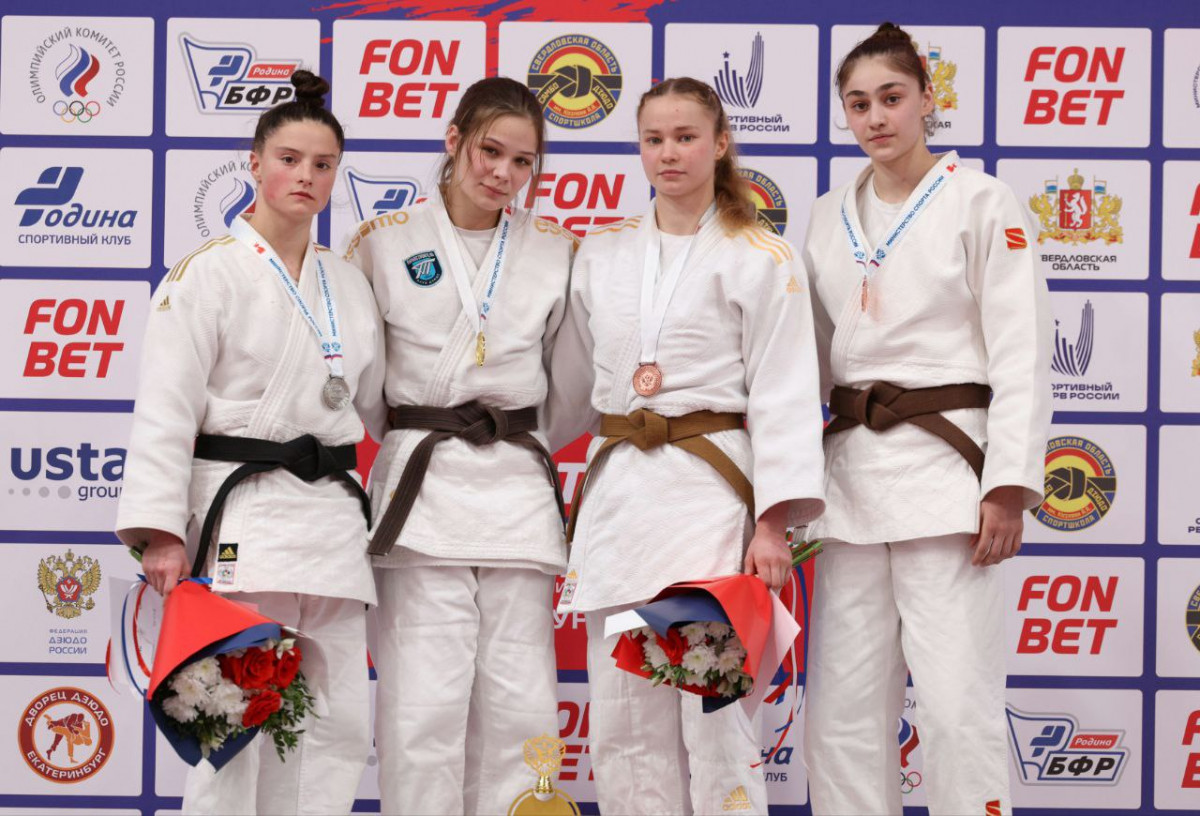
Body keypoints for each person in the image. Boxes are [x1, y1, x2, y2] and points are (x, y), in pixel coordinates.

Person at [546, 77, 826, 816]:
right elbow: (570, 386)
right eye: (654, 139)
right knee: (622, 725)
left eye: (685, 137)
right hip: (619, 503)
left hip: (709, 502)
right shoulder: (602, 252)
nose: (668, 153)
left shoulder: (760, 255)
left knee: (714, 714)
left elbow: (785, 394)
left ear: (720, 144)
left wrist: (773, 523)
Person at [115, 71, 385, 816]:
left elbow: (373, 401)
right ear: (255, 162)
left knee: (335, 722)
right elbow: (165, 410)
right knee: (232, 718)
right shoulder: (204, 275)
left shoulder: (347, 283)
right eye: (289, 159)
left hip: (331, 520)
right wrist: (162, 533)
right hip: (244, 516)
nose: (305, 177)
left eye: (323, 164)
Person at [800, 23, 1053, 816]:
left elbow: (1022, 350)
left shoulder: (982, 201)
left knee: (954, 702)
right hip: (851, 481)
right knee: (841, 710)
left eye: (891, 98)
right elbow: (806, 362)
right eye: (858, 104)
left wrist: (1007, 484)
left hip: (948, 477)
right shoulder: (825, 216)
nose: (876, 117)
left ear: (926, 100)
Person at [343, 76, 575, 816]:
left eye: (522, 161)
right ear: (454, 141)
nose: (503, 173)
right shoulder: (383, 243)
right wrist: (424, 428)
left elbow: (569, 384)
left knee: (523, 701)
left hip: (515, 490)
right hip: (423, 491)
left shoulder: (556, 250)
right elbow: (366, 384)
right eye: (489, 151)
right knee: (422, 705)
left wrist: (509, 433)